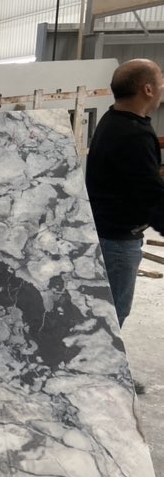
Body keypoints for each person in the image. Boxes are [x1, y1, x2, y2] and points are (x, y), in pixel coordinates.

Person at [86, 58, 164, 328]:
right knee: (112, 318)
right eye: (160, 80)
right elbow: (152, 197)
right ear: (148, 89)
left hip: (107, 233)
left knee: (106, 314)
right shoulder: (133, 135)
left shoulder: (113, 119)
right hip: (118, 242)